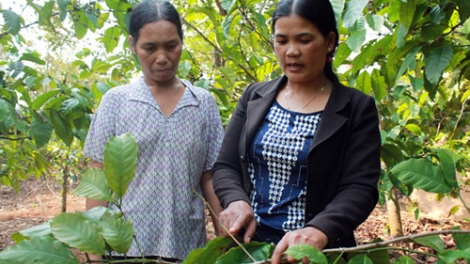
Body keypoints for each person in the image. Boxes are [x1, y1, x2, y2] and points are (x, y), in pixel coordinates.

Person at [212, 0, 381, 263]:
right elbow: (226, 165)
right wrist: (235, 201)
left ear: (329, 41)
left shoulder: (356, 108)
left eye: (304, 40)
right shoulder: (254, 96)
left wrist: (319, 230)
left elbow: (360, 186)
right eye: (282, 41)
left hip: (313, 253)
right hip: (249, 248)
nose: (291, 52)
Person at [83, 0, 224, 262]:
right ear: (132, 45)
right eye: (150, 47)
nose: (162, 58)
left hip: (186, 248)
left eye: (171, 46)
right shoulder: (116, 102)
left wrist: (226, 242)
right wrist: (94, 253)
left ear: (182, 42)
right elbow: (98, 176)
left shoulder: (202, 103)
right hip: (125, 249)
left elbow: (209, 177)